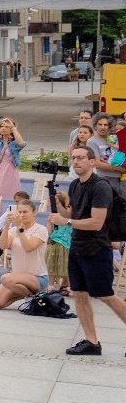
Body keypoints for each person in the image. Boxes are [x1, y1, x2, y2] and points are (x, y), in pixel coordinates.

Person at [53, 146, 126, 355]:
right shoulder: (75, 184)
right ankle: (91, 341)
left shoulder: (100, 186)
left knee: (106, 295)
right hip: (77, 246)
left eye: (81, 158)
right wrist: (61, 206)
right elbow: (74, 214)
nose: (76, 162)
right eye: (73, 158)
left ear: (92, 162)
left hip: (97, 248)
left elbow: (96, 222)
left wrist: (66, 220)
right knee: (80, 294)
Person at [0, 195, 51, 306]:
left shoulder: (41, 229)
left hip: (37, 277)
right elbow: (3, 246)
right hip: (17, 277)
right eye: (20, 212)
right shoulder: (13, 230)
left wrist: (19, 227)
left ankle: (34, 297)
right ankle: (26, 295)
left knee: (5, 278)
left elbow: (29, 247)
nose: (22, 215)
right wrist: (7, 225)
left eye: (25, 212)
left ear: (34, 213)